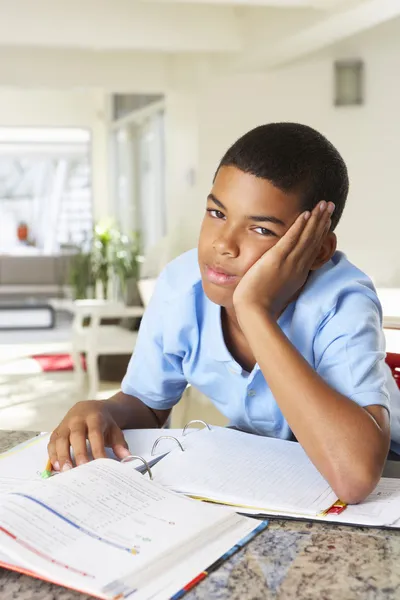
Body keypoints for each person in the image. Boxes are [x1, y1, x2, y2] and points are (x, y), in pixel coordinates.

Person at [48, 122, 400, 504]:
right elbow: (149, 405)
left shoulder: (341, 300)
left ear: (317, 249)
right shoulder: (182, 287)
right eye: (217, 213)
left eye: (261, 229)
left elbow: (356, 477)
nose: (223, 245)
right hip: (269, 468)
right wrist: (103, 409)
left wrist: (254, 310)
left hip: (384, 470)